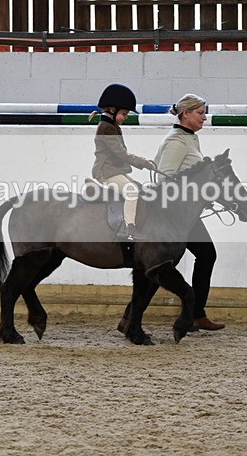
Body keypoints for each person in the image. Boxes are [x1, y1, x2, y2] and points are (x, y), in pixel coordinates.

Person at [118, 93, 225, 333]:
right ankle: (195, 314)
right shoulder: (176, 141)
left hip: (184, 214)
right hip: (172, 215)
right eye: (200, 113)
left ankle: (132, 317)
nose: (204, 117)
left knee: (176, 263)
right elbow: (164, 178)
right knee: (173, 263)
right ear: (185, 114)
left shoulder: (189, 138)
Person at [91, 84, 156, 241]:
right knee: (132, 191)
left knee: (139, 189)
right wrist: (143, 162)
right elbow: (120, 153)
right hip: (105, 171)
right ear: (113, 110)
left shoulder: (111, 125)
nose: (125, 117)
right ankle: (128, 229)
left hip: (114, 170)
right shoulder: (107, 128)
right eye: (124, 114)